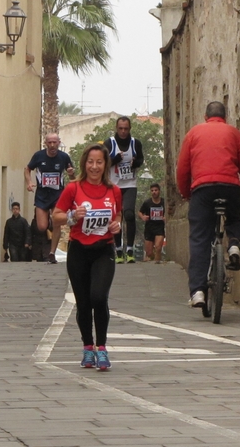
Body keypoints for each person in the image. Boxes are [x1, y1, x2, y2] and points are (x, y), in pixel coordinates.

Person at [176, 101, 240, 310]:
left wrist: (186, 193)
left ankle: (198, 292)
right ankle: (233, 244)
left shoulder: (193, 134)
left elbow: (183, 169)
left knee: (199, 238)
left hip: (202, 190)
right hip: (230, 188)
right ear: (225, 116)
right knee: (233, 217)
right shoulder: (235, 134)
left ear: (206, 116)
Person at [53, 144, 122, 371]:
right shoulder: (73, 189)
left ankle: (101, 348)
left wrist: (116, 225)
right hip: (78, 251)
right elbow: (57, 216)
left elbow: (118, 215)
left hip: (104, 249)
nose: (94, 167)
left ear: (105, 165)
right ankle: (87, 348)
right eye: (90, 162)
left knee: (99, 297)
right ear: (84, 164)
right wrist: (73, 216)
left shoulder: (114, 191)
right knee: (83, 304)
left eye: (99, 162)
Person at [25, 133, 75, 264]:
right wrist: (29, 182)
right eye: (50, 143)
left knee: (57, 222)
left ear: (59, 143)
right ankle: (52, 221)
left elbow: (72, 177)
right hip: (42, 195)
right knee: (42, 227)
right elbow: (27, 169)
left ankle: (52, 253)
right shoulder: (38, 156)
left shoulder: (64, 157)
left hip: (58, 195)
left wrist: (71, 174)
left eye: (55, 142)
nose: (52, 145)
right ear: (45, 143)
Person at [103, 116, 143, 264]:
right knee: (116, 217)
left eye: (126, 128)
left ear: (130, 128)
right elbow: (104, 163)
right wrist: (115, 160)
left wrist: (135, 163)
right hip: (114, 185)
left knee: (129, 214)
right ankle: (118, 249)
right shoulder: (110, 143)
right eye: (121, 128)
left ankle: (130, 249)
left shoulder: (135, 143)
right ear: (116, 128)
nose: (123, 131)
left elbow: (141, 160)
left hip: (130, 184)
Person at [139, 183, 166, 263]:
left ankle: (157, 263)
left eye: (156, 190)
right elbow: (140, 212)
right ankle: (153, 257)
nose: (154, 192)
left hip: (159, 227)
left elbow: (169, 212)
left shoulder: (164, 202)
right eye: (152, 191)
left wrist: (166, 217)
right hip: (149, 228)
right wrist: (143, 217)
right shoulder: (147, 203)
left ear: (159, 191)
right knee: (149, 253)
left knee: (158, 247)